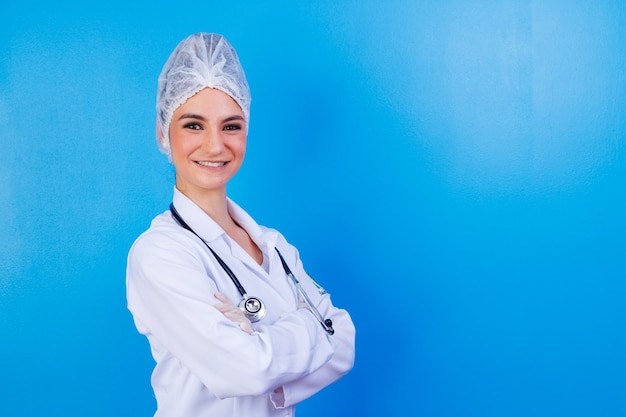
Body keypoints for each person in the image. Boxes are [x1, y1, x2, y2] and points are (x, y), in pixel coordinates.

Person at [126, 32, 356, 417]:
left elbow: (344, 341)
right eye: (194, 125)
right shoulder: (160, 253)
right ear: (163, 131)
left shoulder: (274, 246)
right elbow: (244, 371)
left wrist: (261, 338)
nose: (215, 146)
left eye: (230, 126)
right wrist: (308, 322)